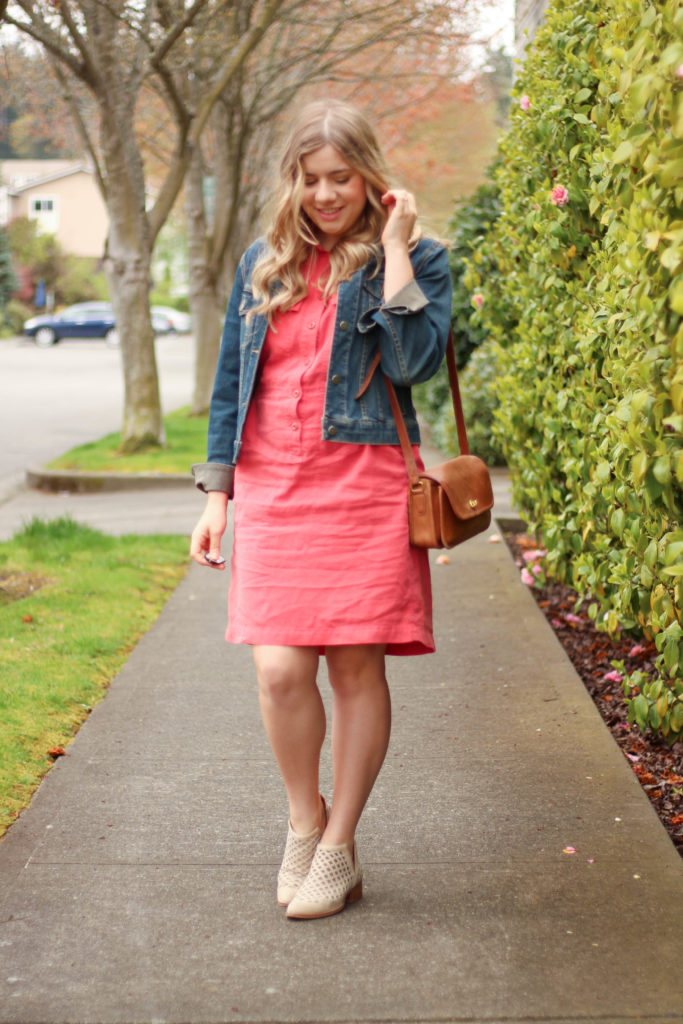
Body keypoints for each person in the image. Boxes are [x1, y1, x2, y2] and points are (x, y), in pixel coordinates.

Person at [190, 99, 452, 920]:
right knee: (277, 670)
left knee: (353, 669)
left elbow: (413, 364)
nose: (326, 194)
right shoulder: (262, 263)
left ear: (370, 175)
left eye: (341, 178)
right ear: (291, 182)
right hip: (274, 483)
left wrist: (399, 248)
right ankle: (303, 819)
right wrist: (217, 492)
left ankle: (338, 846)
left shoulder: (417, 259)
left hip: (364, 484)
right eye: (311, 179)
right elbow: (233, 384)